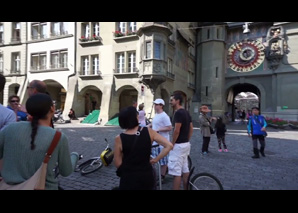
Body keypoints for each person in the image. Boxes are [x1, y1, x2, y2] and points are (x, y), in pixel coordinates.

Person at [0, 94, 79, 190]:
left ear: (28, 110)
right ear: (52, 108)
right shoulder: (58, 137)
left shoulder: (10, 129)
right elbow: (66, 171)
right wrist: (74, 156)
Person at [114, 106, 173, 190]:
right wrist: (156, 159)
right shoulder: (149, 132)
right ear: (135, 117)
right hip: (146, 175)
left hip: (128, 177)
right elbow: (169, 145)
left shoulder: (119, 138)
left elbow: (117, 163)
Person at [169, 93, 193, 190]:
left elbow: (176, 130)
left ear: (177, 101)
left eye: (172, 100)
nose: (170, 102)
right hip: (186, 144)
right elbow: (191, 128)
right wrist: (187, 139)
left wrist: (172, 143)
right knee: (185, 169)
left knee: (176, 173)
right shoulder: (186, 112)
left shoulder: (178, 113)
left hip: (178, 146)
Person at [148, 98, 172, 183]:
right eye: (155, 104)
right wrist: (149, 125)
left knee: (163, 161)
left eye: (157, 104)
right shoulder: (157, 115)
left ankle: (162, 177)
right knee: (153, 158)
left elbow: (169, 127)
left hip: (162, 143)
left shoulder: (164, 116)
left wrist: (159, 130)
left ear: (161, 106)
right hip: (155, 142)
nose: (155, 106)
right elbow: (155, 123)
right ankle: (153, 175)